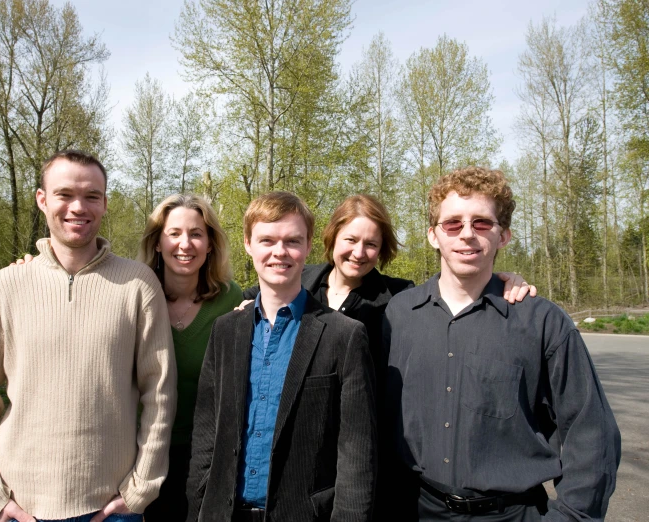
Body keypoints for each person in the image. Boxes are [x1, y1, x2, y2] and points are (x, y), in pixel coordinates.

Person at [383, 166, 621, 520]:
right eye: (453, 224)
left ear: (504, 235)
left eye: (481, 223)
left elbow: (591, 434)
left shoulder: (542, 322)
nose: (466, 234)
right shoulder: (398, 313)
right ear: (433, 235)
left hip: (512, 513)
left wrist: (571, 516)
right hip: (414, 509)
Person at [0, 150, 177, 522]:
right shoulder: (4, 287)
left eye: (92, 196)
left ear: (105, 203)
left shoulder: (138, 286)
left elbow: (160, 393)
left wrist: (141, 488)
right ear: (42, 200)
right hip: (19, 506)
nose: (79, 207)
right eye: (64, 194)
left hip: (112, 506)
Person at [186, 192, 377, 522]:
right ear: (248, 243)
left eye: (292, 240)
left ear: (308, 245)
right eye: (267, 240)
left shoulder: (344, 336)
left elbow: (357, 454)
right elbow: (206, 436)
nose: (279, 252)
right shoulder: (225, 331)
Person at [244, 193, 536, 368]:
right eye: (350, 239)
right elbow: (250, 297)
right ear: (332, 238)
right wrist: (242, 306)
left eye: (371, 244)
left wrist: (505, 281)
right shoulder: (299, 280)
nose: (359, 253)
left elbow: (454, 291)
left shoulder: (399, 298)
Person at [138, 195, 243, 521]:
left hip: (205, 456)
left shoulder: (231, 299)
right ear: (157, 243)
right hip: (139, 453)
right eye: (174, 233)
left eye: (197, 234)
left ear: (210, 244)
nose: (186, 244)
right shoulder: (132, 295)